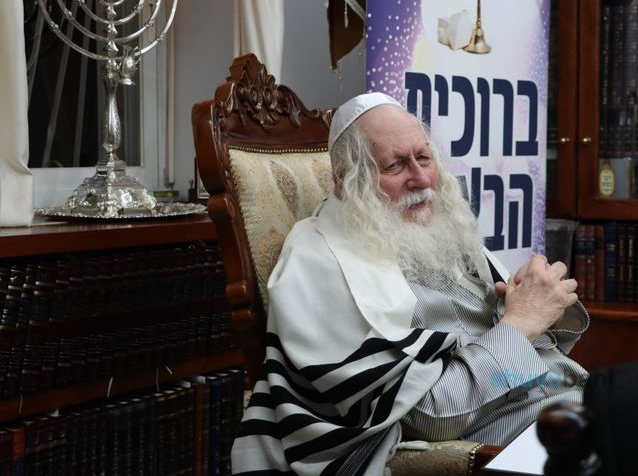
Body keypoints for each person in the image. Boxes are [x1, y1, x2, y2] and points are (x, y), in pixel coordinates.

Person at [231, 92, 590, 475]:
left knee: (636, 400)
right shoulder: (318, 264)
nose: (421, 179)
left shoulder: (431, 229)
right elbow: (430, 417)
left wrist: (535, 307)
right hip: (511, 434)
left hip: (562, 399)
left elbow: (531, 345)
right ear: (345, 180)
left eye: (424, 157)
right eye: (396, 164)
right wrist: (521, 324)